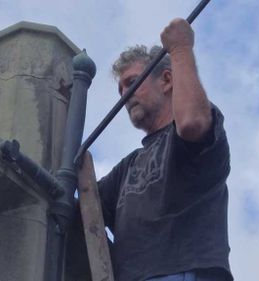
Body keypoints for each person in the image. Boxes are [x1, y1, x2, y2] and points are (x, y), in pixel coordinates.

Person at [97, 18, 232, 281]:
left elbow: (192, 122)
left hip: (183, 272)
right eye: (121, 88)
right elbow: (81, 208)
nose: (125, 94)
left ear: (167, 80)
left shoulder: (200, 130)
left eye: (132, 82)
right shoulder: (128, 166)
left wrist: (180, 49)